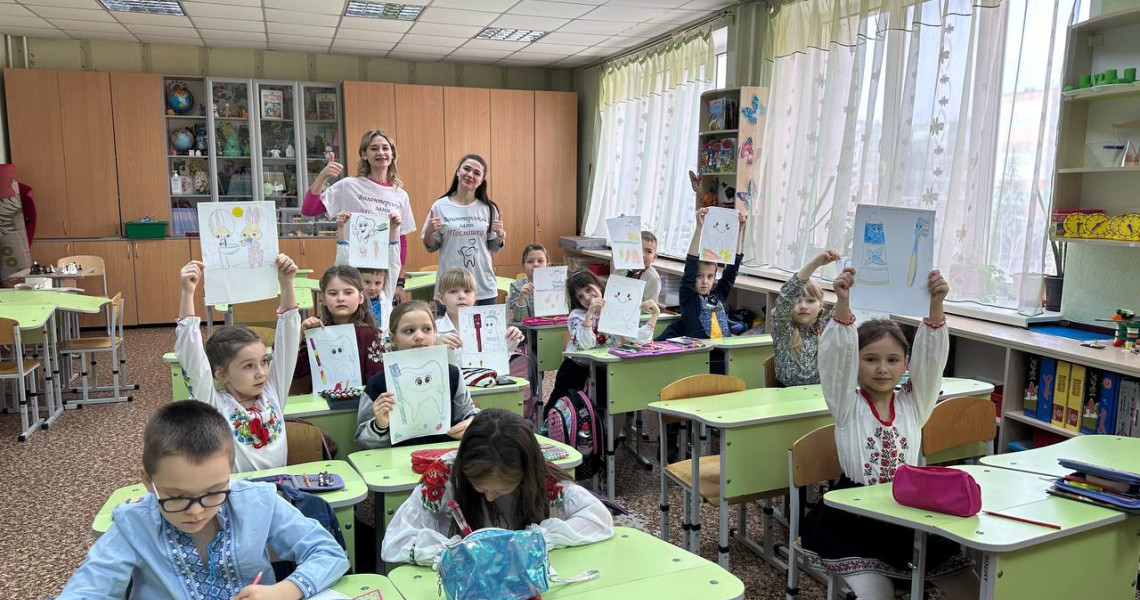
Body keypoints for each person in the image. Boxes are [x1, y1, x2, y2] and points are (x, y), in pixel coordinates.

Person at [800, 267, 978, 600]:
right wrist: (843, 303)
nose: (883, 369)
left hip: (905, 510)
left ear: (906, 363)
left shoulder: (914, 403)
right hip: (854, 517)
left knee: (973, 588)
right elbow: (836, 358)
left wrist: (936, 305)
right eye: (870, 359)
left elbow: (932, 362)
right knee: (876, 594)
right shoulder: (847, 403)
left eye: (893, 360)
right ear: (856, 363)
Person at [56, 400, 349, 599]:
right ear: (148, 481)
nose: (196, 511)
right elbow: (85, 590)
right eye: (177, 497)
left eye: (213, 493)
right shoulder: (133, 525)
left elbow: (328, 553)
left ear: (229, 474)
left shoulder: (257, 502)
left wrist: (287, 590)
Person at [380, 408, 613, 567]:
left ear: (525, 474)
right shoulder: (446, 475)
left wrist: (538, 540)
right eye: (480, 488)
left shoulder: (541, 478)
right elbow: (395, 541)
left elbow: (598, 518)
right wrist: (454, 552)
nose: (490, 498)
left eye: (501, 491)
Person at [175, 254, 299, 473]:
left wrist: (287, 283)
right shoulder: (213, 406)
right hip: (238, 499)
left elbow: (288, 341)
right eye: (248, 366)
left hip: (278, 493)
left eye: (264, 362)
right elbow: (192, 358)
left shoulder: (272, 393)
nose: (261, 373)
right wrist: (187, 293)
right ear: (222, 374)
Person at [303, 129, 415, 303]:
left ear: (392, 154)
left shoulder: (400, 195)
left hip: (382, 278)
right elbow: (309, 210)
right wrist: (323, 176)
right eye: (374, 148)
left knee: (380, 324)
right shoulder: (349, 186)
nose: (381, 153)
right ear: (364, 154)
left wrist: (399, 282)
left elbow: (402, 240)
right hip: (352, 272)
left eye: (386, 148)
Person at [355, 300, 479, 449]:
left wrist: (470, 424)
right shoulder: (377, 384)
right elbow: (363, 442)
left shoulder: (452, 374)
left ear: (435, 333)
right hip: (394, 463)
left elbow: (469, 414)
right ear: (393, 338)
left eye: (427, 329)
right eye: (409, 330)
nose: (419, 336)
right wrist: (379, 425)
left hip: (443, 459)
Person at [546, 270, 659, 409]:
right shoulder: (577, 316)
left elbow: (641, 339)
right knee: (565, 405)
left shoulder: (617, 308)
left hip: (606, 367)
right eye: (580, 296)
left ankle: (606, 427)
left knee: (610, 402)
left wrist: (655, 314)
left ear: (598, 286)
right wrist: (590, 314)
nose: (587, 297)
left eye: (589, 289)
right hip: (577, 369)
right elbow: (586, 344)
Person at [421, 155, 505, 307]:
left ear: (481, 180)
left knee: (484, 331)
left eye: (477, 173)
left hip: (483, 288)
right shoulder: (440, 206)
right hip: (450, 289)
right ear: (458, 171)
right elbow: (431, 247)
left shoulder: (489, 208)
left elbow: (493, 247)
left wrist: (500, 235)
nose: (470, 175)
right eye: (466, 169)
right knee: (451, 331)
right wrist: (429, 232)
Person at [292, 265, 384, 393]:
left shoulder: (369, 334)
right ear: (323, 299)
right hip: (321, 405)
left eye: (348, 292)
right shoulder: (315, 334)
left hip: (359, 407)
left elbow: (376, 380)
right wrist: (301, 335)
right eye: (333, 293)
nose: (341, 298)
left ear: (361, 298)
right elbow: (296, 371)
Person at [659, 207, 747, 340]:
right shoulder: (689, 298)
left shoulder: (718, 296)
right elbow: (691, 264)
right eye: (699, 276)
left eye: (710, 276)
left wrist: (739, 231)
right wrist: (699, 228)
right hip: (701, 356)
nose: (705, 281)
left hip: (724, 352)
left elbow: (731, 272)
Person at [770, 250, 837, 386]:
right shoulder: (783, 328)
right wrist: (815, 264)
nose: (803, 306)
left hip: (818, 397)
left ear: (820, 306)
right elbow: (787, 296)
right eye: (797, 301)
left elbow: (847, 304)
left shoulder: (824, 328)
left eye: (810, 301)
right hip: (787, 398)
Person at [435, 267, 524, 368]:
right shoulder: (434, 330)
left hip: (484, 381)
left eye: (467, 291)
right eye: (453, 291)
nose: (461, 296)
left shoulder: (490, 327)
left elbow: (499, 360)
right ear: (441, 298)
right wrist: (435, 345)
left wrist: (512, 338)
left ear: (475, 297)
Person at [333, 210, 393, 333]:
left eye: (377, 283)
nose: (372, 287)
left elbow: (393, 263)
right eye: (366, 282)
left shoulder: (385, 296)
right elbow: (342, 264)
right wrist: (340, 228)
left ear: (384, 282)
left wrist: (394, 228)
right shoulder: (352, 298)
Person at [507, 244, 550, 321]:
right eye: (530, 261)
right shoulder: (516, 286)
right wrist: (521, 297)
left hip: (551, 330)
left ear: (547, 264)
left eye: (540, 261)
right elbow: (520, 319)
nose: (536, 264)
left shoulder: (556, 285)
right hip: (527, 331)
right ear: (523, 265)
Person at [616, 231, 661, 303]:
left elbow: (649, 309)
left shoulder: (653, 279)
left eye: (649, 251)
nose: (643, 255)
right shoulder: (621, 268)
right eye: (638, 249)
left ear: (654, 257)